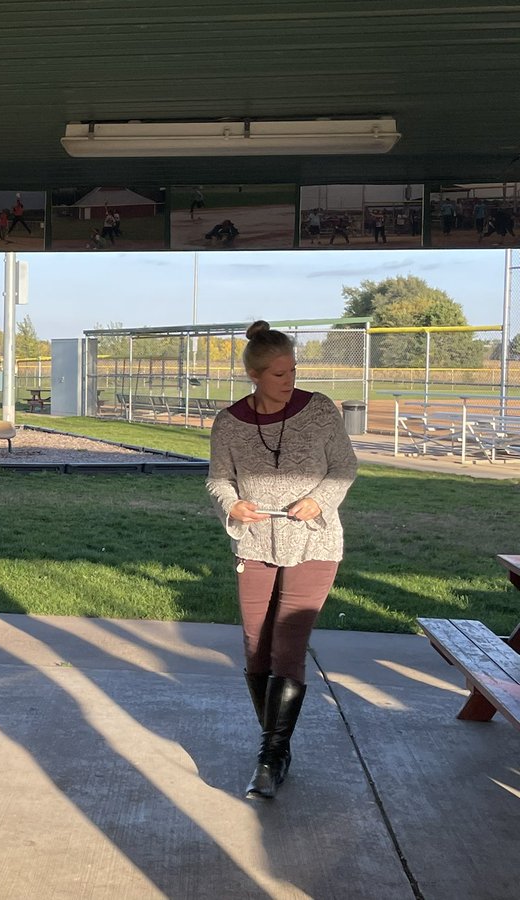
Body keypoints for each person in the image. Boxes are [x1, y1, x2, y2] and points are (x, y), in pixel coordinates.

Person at [205, 320, 357, 802]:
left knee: (287, 645)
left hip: (313, 540)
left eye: (292, 370)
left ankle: (270, 757)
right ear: (254, 374)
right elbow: (218, 481)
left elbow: (344, 466)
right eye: (278, 374)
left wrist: (321, 501)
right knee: (256, 646)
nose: (288, 380)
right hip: (255, 542)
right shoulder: (228, 423)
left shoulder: (320, 411)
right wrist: (232, 505)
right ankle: (279, 744)